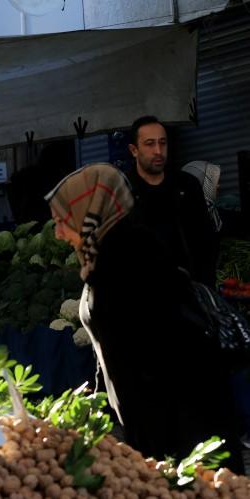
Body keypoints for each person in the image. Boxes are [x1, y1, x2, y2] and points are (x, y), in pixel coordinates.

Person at [46, 162, 243, 471]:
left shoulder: (132, 256)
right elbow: (111, 344)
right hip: (157, 429)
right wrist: (96, 400)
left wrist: (158, 449)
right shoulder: (100, 257)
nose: (57, 233)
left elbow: (167, 354)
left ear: (91, 212)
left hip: (186, 433)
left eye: (62, 220)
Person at [126, 115, 216, 285]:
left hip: (189, 291)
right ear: (134, 150)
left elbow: (205, 242)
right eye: (150, 144)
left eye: (163, 142)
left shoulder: (187, 185)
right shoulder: (121, 192)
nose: (158, 151)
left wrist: (205, 288)